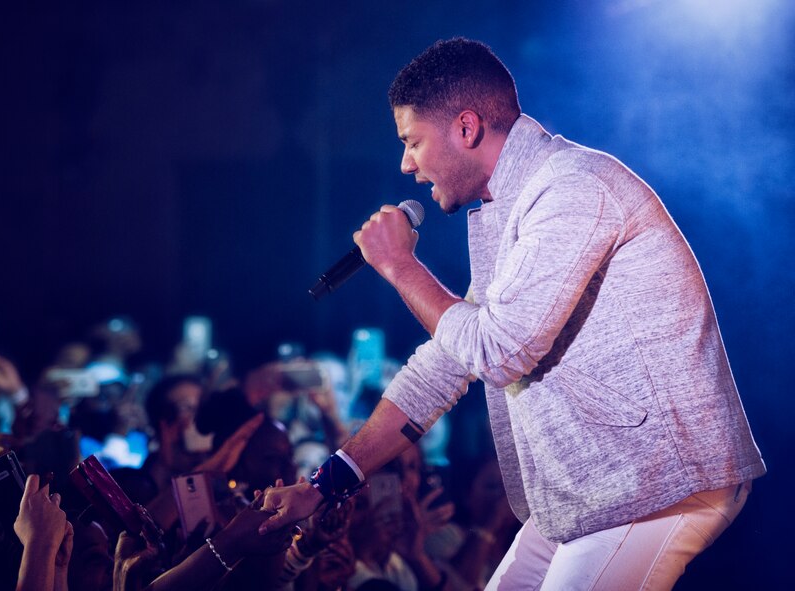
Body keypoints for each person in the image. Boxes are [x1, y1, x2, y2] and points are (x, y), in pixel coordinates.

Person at [259, 37, 766, 590]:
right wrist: (323, 484)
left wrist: (400, 266)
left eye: (412, 142)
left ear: (467, 128)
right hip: (594, 486)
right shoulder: (521, 203)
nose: (406, 165)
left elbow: (498, 351)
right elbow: (446, 365)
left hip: (653, 482)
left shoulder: (572, 189)